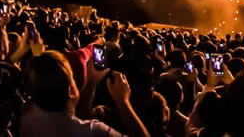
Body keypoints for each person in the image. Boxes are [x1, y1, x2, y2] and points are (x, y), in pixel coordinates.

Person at [20, 51, 148, 137]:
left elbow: (75, 118)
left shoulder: (25, 117)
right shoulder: (94, 131)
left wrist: (91, 83)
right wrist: (123, 102)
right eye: (72, 78)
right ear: (70, 90)